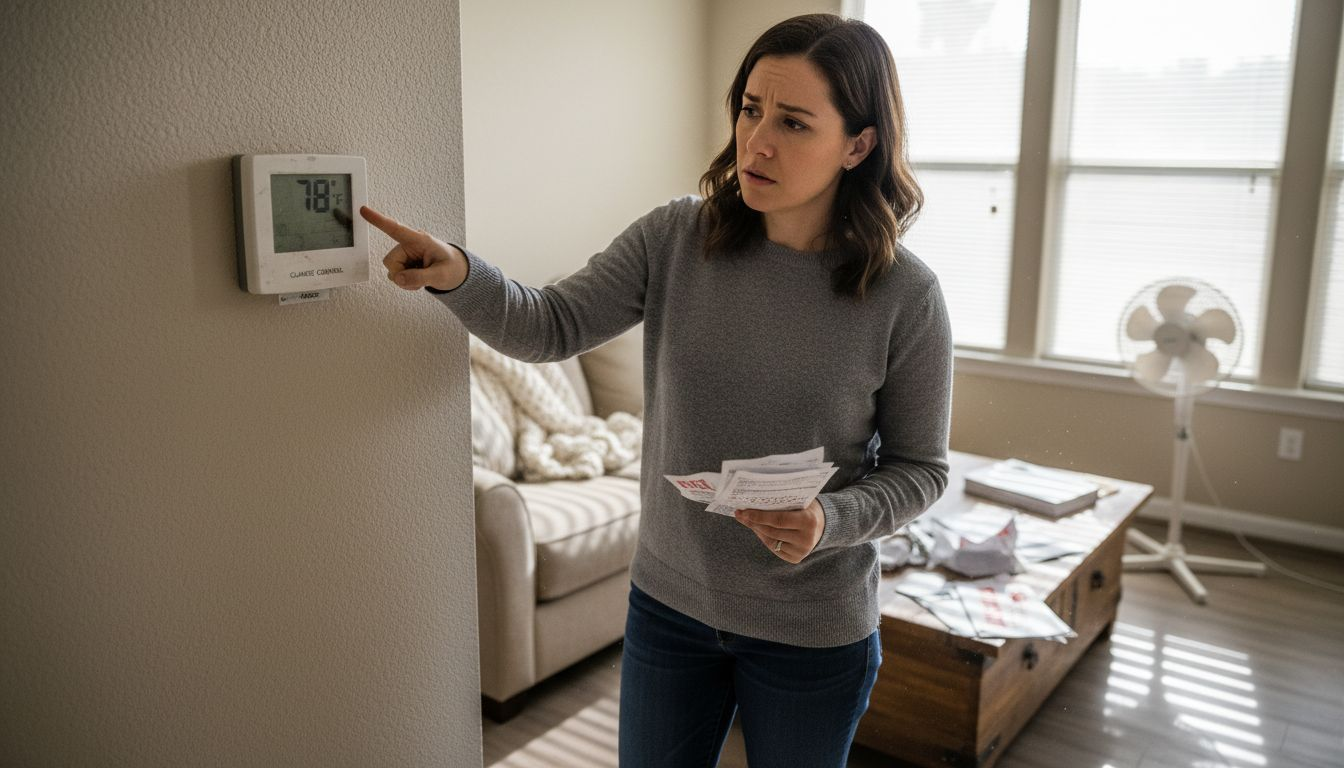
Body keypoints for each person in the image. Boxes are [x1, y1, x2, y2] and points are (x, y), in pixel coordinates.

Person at [362, 13, 951, 767]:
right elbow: (550, 324)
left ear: (859, 145)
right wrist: (456, 273)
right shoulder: (678, 238)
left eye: (795, 123)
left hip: (814, 632)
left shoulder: (906, 295)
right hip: (670, 611)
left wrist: (829, 518)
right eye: (750, 109)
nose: (757, 141)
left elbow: (922, 468)